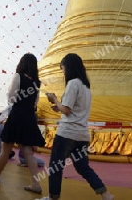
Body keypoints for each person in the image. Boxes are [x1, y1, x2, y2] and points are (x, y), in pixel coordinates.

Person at [45, 53, 115, 200]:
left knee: (56, 166)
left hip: (67, 134)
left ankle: (53, 197)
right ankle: (105, 194)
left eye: (63, 69)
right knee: (83, 167)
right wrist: (59, 107)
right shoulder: (86, 87)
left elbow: (67, 110)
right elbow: (73, 109)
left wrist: (55, 100)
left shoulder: (73, 83)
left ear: (68, 67)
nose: (63, 73)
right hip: (82, 135)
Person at [0, 53, 45, 194]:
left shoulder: (18, 77)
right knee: (28, 152)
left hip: (17, 115)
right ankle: (36, 184)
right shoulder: (37, 83)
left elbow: (11, 97)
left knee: (6, 148)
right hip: (29, 117)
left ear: (22, 64)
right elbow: (35, 103)